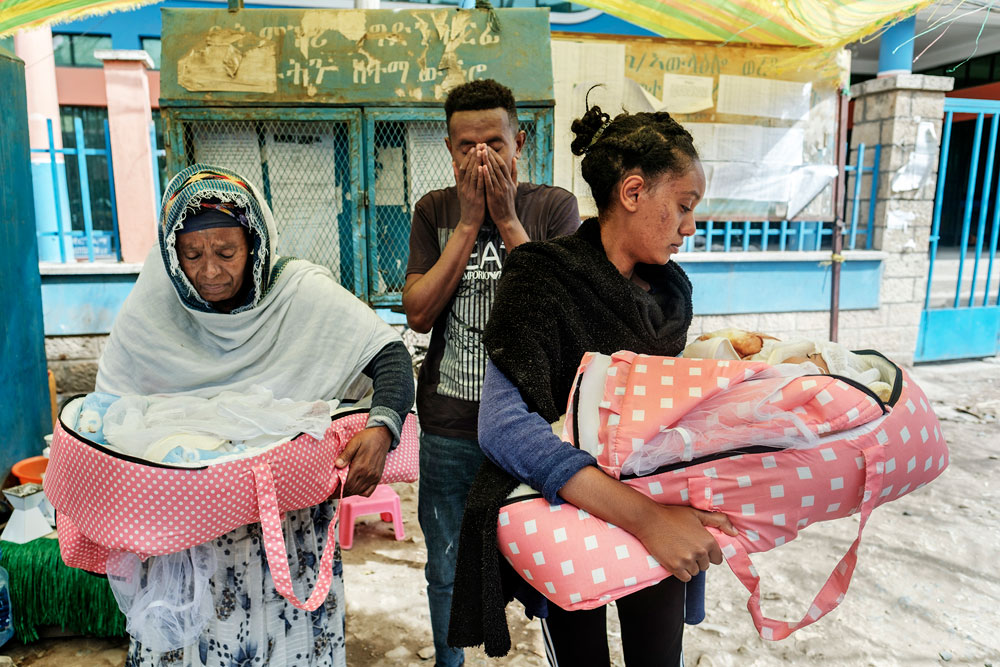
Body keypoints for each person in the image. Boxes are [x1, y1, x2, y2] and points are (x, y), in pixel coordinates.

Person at [448, 105, 739, 666]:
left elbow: (665, 415)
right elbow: (505, 428)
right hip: (568, 515)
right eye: (683, 206)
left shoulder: (669, 294)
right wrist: (647, 519)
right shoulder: (541, 276)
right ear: (632, 191)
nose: (690, 227)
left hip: (654, 505)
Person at [97, 164, 414, 667]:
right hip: (190, 541)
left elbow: (389, 355)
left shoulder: (297, 296)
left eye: (227, 252)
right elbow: (106, 416)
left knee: (286, 646)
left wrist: (382, 428)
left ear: (256, 245)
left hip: (286, 529)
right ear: (171, 255)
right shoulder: (151, 313)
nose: (209, 271)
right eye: (191, 254)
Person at [402, 78, 579, 667]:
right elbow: (421, 313)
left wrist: (504, 220)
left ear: (519, 142)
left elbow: (561, 310)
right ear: (449, 149)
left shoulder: (552, 208)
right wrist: (466, 223)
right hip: (450, 424)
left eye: (494, 144)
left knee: (547, 561)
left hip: (528, 426)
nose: (480, 157)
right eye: (465, 146)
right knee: (446, 566)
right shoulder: (434, 210)